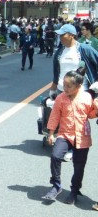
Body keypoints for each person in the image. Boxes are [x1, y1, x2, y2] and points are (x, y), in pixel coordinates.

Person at [42, 67, 97, 205]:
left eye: (68, 86)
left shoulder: (87, 97)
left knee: (79, 166)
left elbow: (90, 115)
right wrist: (50, 133)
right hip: (64, 134)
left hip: (82, 136)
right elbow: (55, 116)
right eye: (64, 85)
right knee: (55, 156)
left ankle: (74, 190)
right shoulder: (61, 98)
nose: (65, 88)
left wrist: (96, 108)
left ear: (78, 86)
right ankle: (56, 185)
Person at [50, 24, 98, 98]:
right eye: (59, 35)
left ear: (71, 35)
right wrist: (53, 89)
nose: (60, 37)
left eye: (62, 34)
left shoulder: (84, 49)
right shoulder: (59, 52)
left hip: (81, 92)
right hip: (62, 91)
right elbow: (56, 73)